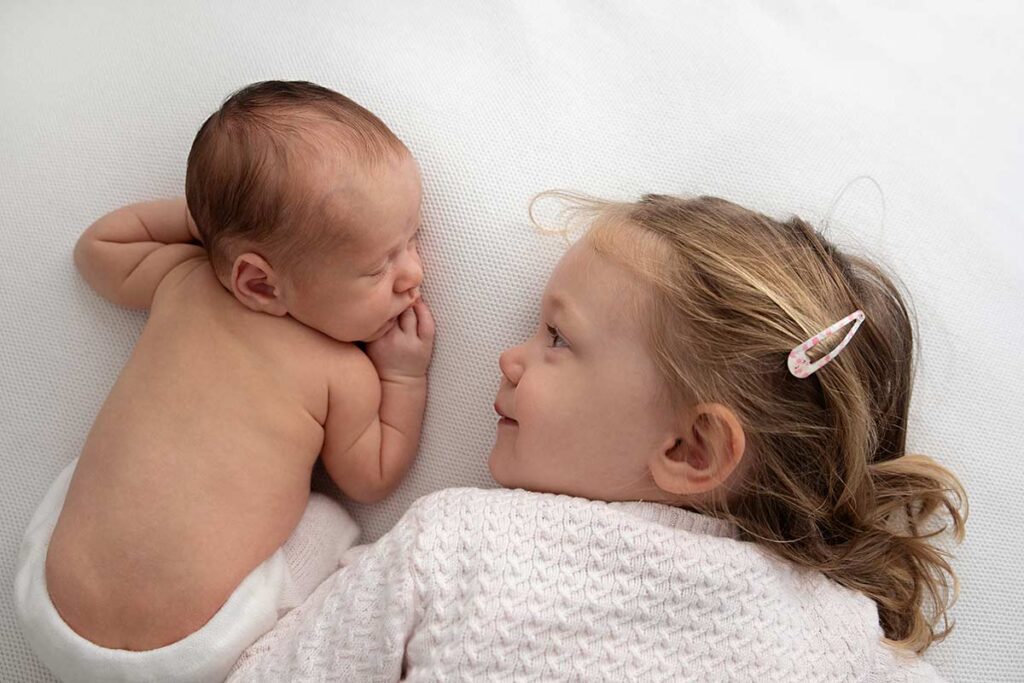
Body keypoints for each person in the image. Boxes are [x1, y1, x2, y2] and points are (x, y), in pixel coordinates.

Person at [230, 193, 964, 682]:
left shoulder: (460, 543)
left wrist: (298, 560)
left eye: (556, 337)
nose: (509, 356)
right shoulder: (850, 646)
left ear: (690, 450)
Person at [14, 80, 434, 683]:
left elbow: (97, 248)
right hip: (194, 654)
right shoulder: (341, 372)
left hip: (49, 609)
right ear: (260, 284)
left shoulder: (182, 281)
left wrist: (212, 227)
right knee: (329, 522)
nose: (413, 274)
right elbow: (373, 478)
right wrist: (404, 374)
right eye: (378, 266)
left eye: (411, 239)